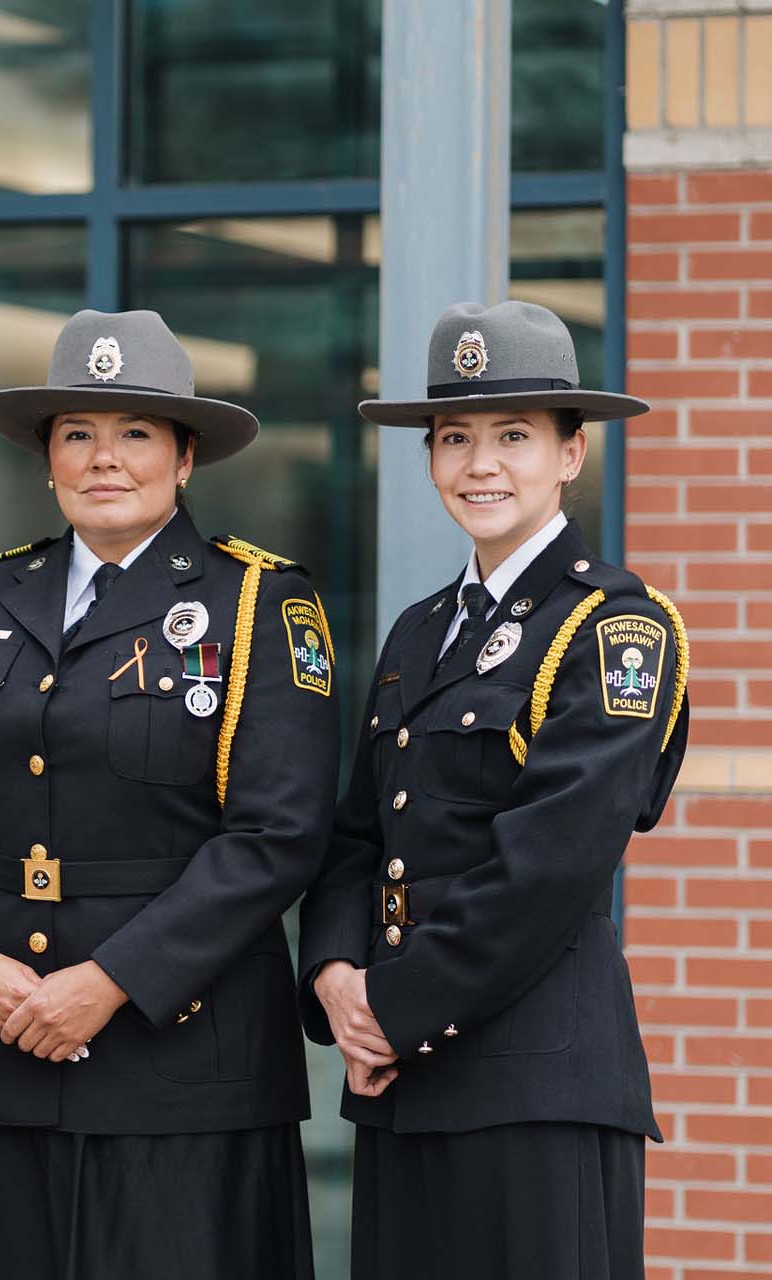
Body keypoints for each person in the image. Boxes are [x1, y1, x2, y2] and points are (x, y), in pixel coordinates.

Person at [0, 308, 339, 1279]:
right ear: (46, 460)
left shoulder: (257, 602)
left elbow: (276, 834)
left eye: (134, 432)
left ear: (183, 458)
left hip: (179, 1071)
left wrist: (111, 979)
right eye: (77, 433)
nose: (104, 457)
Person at [299, 300, 690, 1280]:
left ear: (570, 453)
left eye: (513, 435)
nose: (480, 462)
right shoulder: (418, 631)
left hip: (533, 1085)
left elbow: (547, 867)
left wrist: (391, 1003)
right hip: (401, 1084)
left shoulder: (613, 627)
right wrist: (336, 974)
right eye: (455, 437)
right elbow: (356, 835)